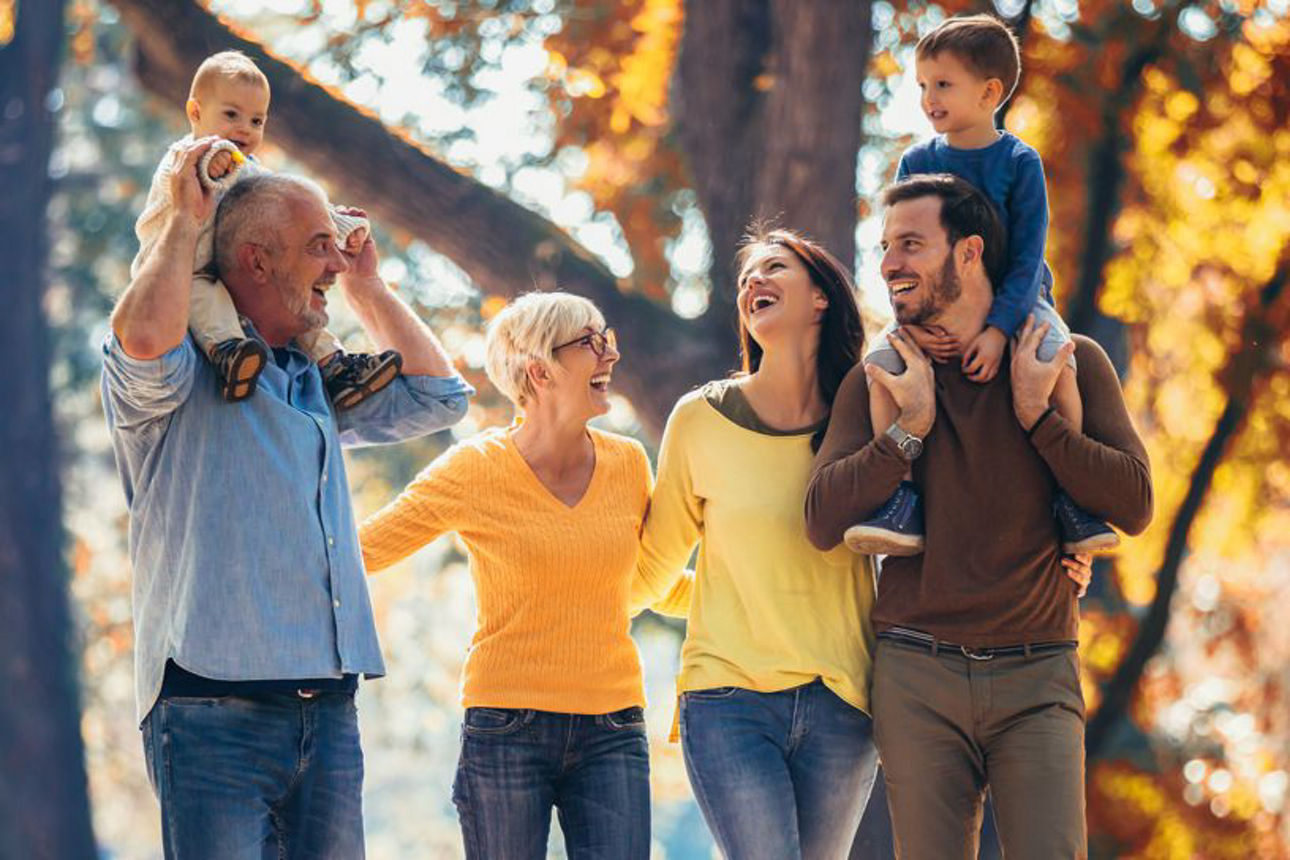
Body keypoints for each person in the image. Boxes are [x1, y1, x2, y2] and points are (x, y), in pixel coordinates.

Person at [103, 152, 472, 859]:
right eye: (317, 247)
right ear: (257, 261)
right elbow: (142, 340)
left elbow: (439, 399)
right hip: (209, 709)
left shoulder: (314, 380)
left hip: (328, 713)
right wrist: (185, 220)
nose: (335, 260)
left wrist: (368, 288)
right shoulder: (180, 369)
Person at [805, 174, 1152, 858]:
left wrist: (1038, 419)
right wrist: (909, 427)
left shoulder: (1068, 364)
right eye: (884, 247)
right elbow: (821, 519)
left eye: (910, 244)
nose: (888, 264)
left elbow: (1135, 503)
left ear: (969, 253)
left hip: (1038, 671)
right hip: (917, 673)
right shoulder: (881, 379)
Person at [359, 292, 686, 860]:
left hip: (612, 728)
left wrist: (743, 598)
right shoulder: (475, 470)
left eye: (607, 337)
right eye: (590, 342)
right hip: (507, 727)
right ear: (539, 370)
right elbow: (362, 549)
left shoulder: (629, 465)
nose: (610, 354)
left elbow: (647, 582)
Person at [629, 228, 879, 859]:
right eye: (745, 278)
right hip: (729, 697)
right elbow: (651, 572)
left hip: (844, 702)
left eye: (774, 267)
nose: (752, 284)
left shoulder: (873, 415)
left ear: (822, 298)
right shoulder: (699, 419)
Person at [847, 13, 1118, 557]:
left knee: (1057, 357)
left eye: (943, 84)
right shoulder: (918, 160)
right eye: (922, 85)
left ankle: (1071, 499)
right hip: (933, 306)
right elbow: (904, 248)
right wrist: (910, 326)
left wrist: (999, 330)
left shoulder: (1019, 162)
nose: (928, 98)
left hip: (1020, 300)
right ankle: (899, 500)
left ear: (989, 91)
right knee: (881, 367)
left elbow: (1026, 257)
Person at [132, 49, 401, 405]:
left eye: (256, 121)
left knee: (294, 299)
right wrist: (212, 165)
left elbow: (289, 209)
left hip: (230, 266)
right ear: (196, 112)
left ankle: (334, 366)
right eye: (231, 114)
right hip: (184, 268)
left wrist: (340, 225)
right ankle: (229, 352)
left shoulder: (250, 168)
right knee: (204, 295)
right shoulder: (187, 158)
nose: (244, 128)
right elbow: (203, 173)